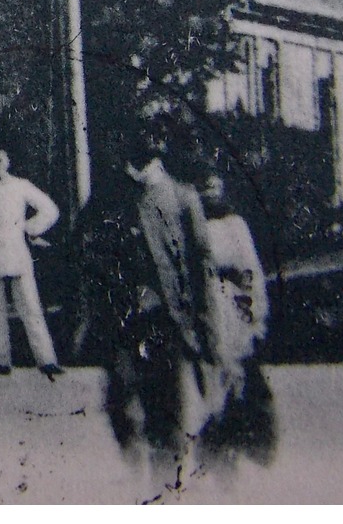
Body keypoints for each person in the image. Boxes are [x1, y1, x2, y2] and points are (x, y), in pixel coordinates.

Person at [117, 139, 217, 471]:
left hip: (175, 311)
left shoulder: (175, 198)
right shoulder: (153, 200)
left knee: (181, 401)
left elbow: (200, 256)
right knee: (172, 402)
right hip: (165, 311)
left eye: (132, 166)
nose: (128, 173)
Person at [197, 169, 276, 469]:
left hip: (230, 303)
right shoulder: (192, 225)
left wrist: (254, 313)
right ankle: (213, 433)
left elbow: (249, 270)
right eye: (205, 188)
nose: (211, 193)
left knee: (235, 369)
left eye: (216, 187)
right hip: (204, 304)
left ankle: (232, 430)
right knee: (209, 371)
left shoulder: (235, 226)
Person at [0, 147, 64, 379]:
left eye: (0, 159)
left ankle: (47, 360)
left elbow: (50, 210)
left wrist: (30, 228)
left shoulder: (21, 186)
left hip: (17, 252)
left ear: (9, 161)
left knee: (30, 306)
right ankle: (0, 360)